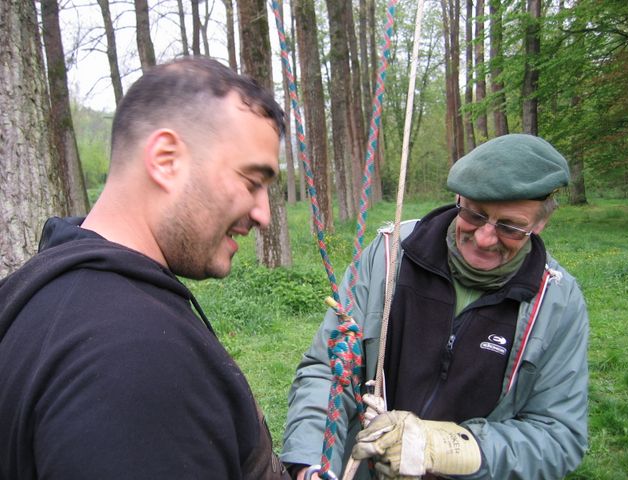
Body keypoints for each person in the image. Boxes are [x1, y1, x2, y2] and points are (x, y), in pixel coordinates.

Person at [0, 57, 291, 479]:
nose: (263, 213)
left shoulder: (35, 290)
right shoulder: (136, 360)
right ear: (167, 159)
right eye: (251, 181)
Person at [281, 134, 589, 479]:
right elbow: (329, 368)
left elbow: (558, 435)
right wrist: (310, 464)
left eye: (511, 227)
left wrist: (441, 447)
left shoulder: (556, 302)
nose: (485, 237)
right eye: (474, 214)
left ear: (540, 223)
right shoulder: (389, 256)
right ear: (458, 198)